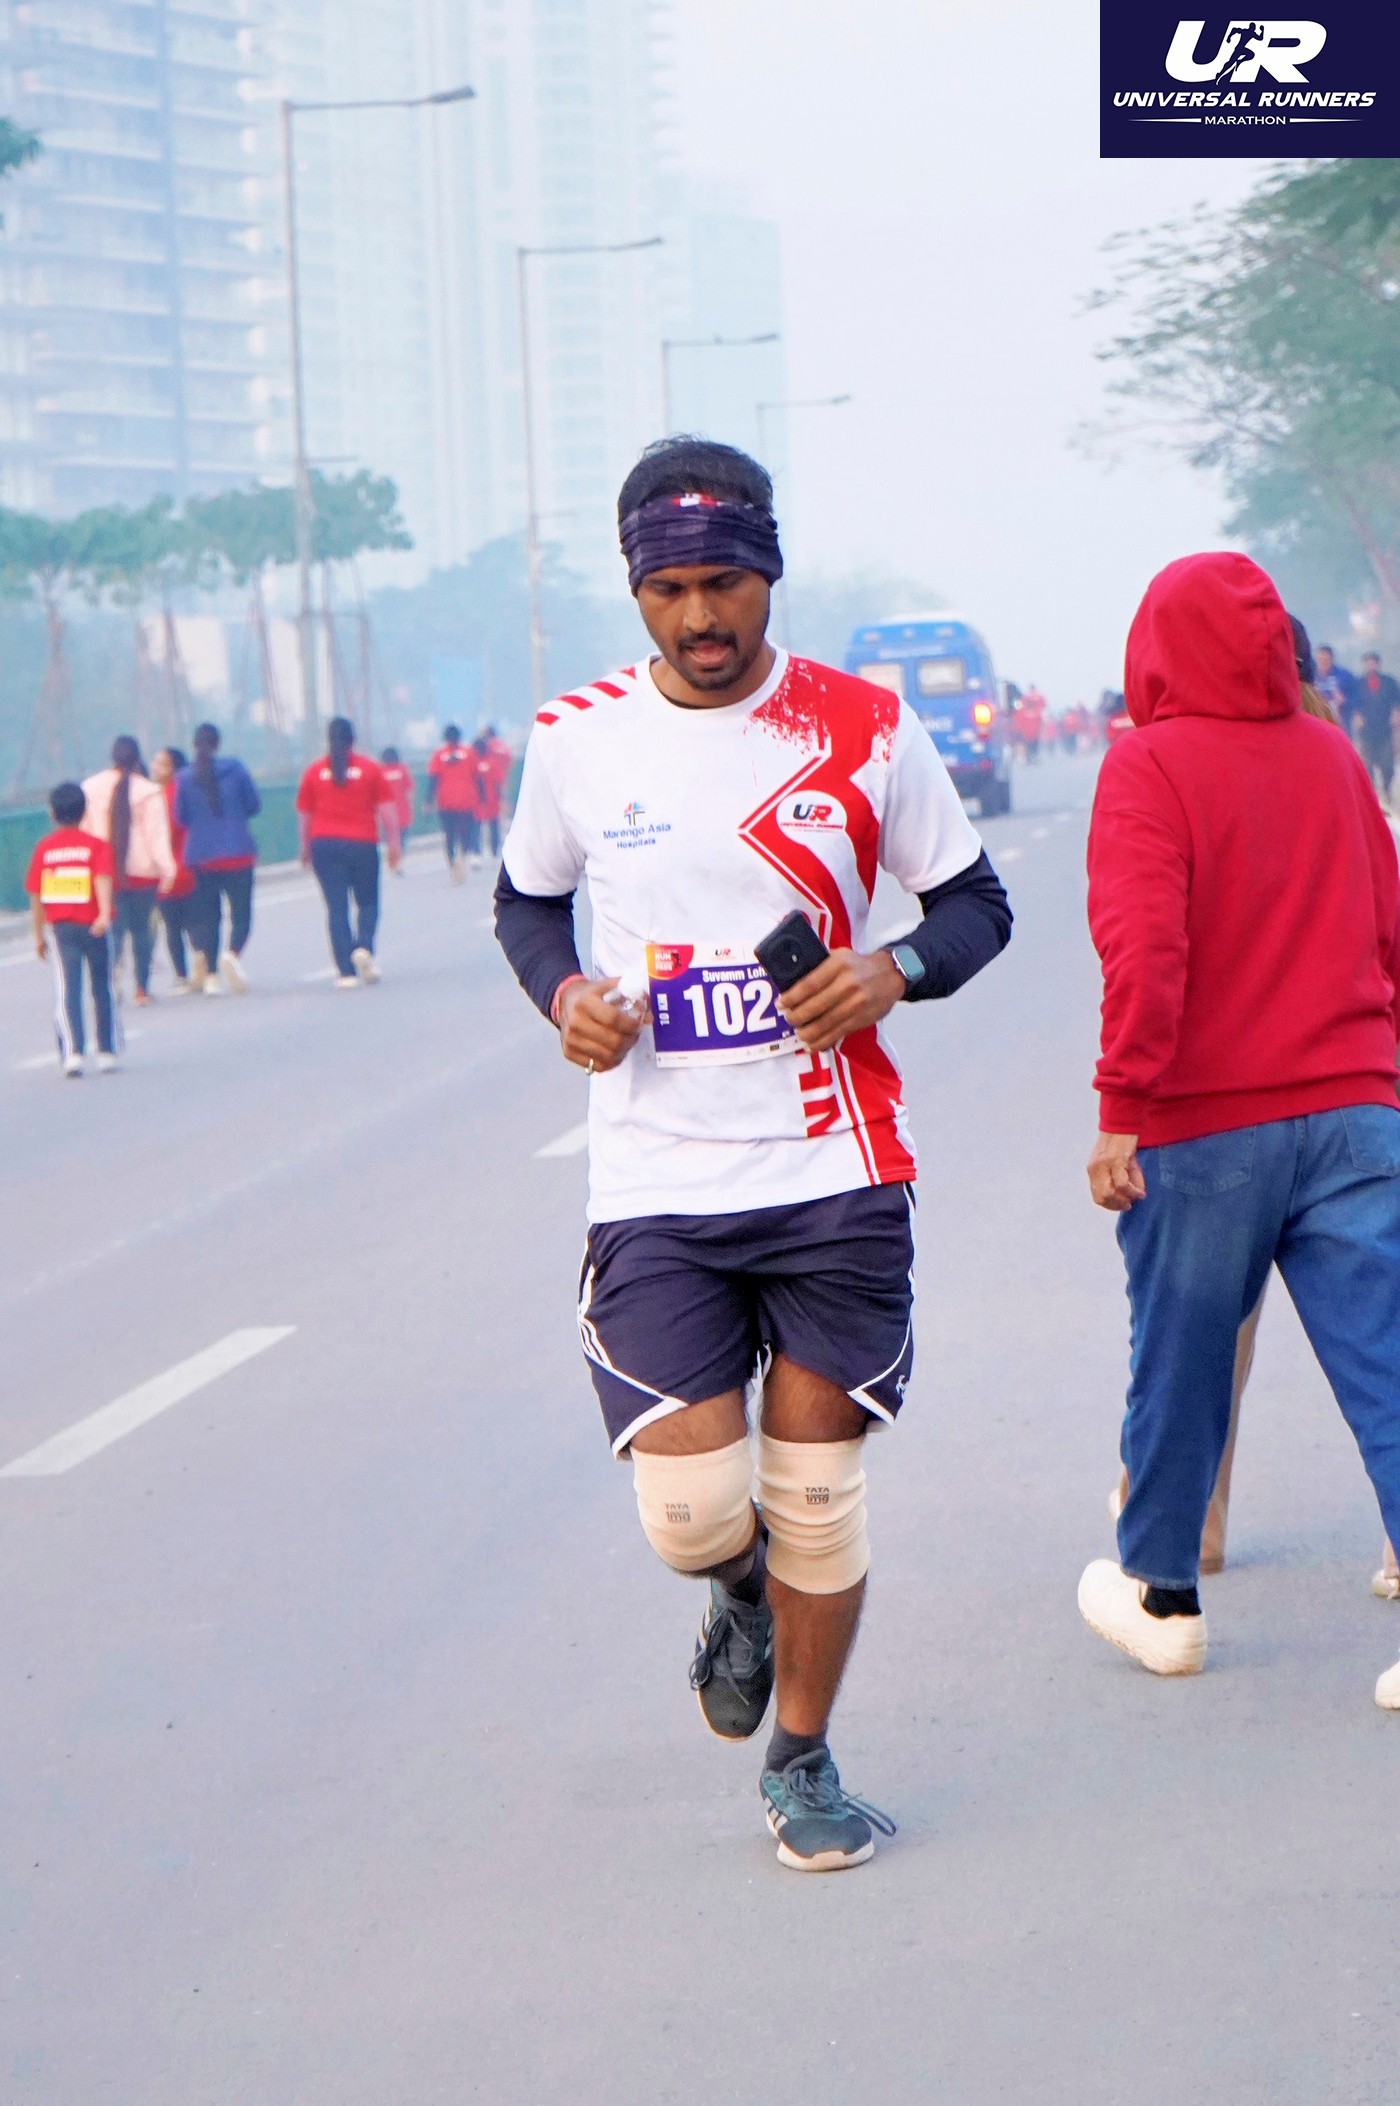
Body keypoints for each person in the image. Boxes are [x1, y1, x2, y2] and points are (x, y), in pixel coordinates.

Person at [494, 435, 1012, 1869]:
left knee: (817, 1499)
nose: (701, 616)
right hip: (657, 1182)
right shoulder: (576, 740)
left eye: (724, 583)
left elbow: (976, 904)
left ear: (767, 575)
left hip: (834, 1173)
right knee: (693, 1512)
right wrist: (565, 995)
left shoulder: (865, 728)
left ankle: (802, 1755)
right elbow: (527, 905)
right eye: (670, 591)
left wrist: (893, 970)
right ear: (636, 594)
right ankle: (736, 1591)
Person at [1078, 552, 1400, 1707]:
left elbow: (1143, 951)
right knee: (1386, 1359)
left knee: (1180, 1362)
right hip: (1355, 1110)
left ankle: (1163, 1601)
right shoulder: (1330, 756)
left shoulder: (1145, 764)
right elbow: (1387, 926)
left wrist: (1121, 1109)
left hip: (1206, 1124)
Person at [297, 716, 402, 987]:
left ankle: (345, 972)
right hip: (362, 844)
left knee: (336, 908)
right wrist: (394, 844)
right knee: (367, 903)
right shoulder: (370, 769)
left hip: (324, 845)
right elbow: (387, 813)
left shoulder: (314, 771)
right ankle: (363, 947)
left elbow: (305, 815)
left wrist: (305, 847)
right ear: (353, 740)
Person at [25, 781, 117, 1076]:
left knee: (68, 989)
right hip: (94, 926)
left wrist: (38, 936)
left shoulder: (45, 849)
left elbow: (37, 895)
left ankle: (73, 1052)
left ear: (52, 814)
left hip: (63, 928)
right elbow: (102, 877)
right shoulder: (96, 846)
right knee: (102, 987)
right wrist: (103, 913)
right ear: (84, 811)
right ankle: (106, 1050)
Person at [81, 736, 175, 1006]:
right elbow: (157, 837)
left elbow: (86, 832)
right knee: (144, 932)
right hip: (143, 875)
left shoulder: (91, 788)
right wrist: (168, 870)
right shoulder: (149, 791)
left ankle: (111, 981)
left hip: (105, 875)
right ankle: (142, 988)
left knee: (113, 931)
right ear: (137, 758)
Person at [174, 723, 261, 994]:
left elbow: (181, 817)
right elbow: (253, 804)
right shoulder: (236, 769)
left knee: (208, 918)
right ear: (217, 744)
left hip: (201, 856)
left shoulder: (184, 777)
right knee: (241, 914)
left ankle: (211, 976)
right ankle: (231, 954)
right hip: (238, 853)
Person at [151, 745, 196, 992]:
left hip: (170, 871)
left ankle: (182, 975)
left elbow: (164, 834)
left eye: (161, 764)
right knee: (195, 922)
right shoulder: (190, 791)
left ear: (173, 769)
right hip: (192, 866)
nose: (155, 768)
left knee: (173, 927)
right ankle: (203, 966)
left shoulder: (164, 797)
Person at [427, 722, 477, 882]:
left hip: (445, 801)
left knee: (449, 834)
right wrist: (482, 797)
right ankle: (463, 857)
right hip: (466, 800)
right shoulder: (469, 753)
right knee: (465, 833)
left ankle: (452, 864)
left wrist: (429, 799)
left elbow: (433, 779)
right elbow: (477, 776)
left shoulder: (438, 755)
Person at [1350, 651, 1400, 809]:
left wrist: (1396, 714)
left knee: (1388, 763)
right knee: (1367, 764)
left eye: (1373, 662)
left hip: (1385, 729)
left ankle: (1387, 789)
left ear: (1378, 664)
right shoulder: (1358, 684)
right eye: (1368, 663)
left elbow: (1397, 702)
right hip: (1366, 730)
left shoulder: (1389, 682)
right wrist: (1357, 716)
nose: (1370, 665)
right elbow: (1353, 704)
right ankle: (1371, 795)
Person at [379, 746, 415, 875]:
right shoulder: (402, 769)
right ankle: (397, 863)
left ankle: (393, 862)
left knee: (391, 838)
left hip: (385, 809)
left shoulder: (380, 771)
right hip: (402, 808)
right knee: (401, 837)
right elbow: (410, 789)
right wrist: (411, 806)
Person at [471, 730, 503, 861]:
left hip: (478, 800)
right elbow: (498, 782)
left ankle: (476, 851)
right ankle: (494, 850)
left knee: (476, 828)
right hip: (492, 799)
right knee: (494, 826)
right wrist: (501, 798)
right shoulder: (493, 763)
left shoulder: (472, 763)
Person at [1314, 643, 1357, 726]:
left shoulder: (1345, 676)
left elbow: (1357, 700)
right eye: (1320, 660)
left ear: (1332, 660)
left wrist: (1343, 701)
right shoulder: (1311, 676)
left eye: (1326, 660)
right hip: (1317, 721)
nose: (1323, 663)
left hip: (1341, 722)